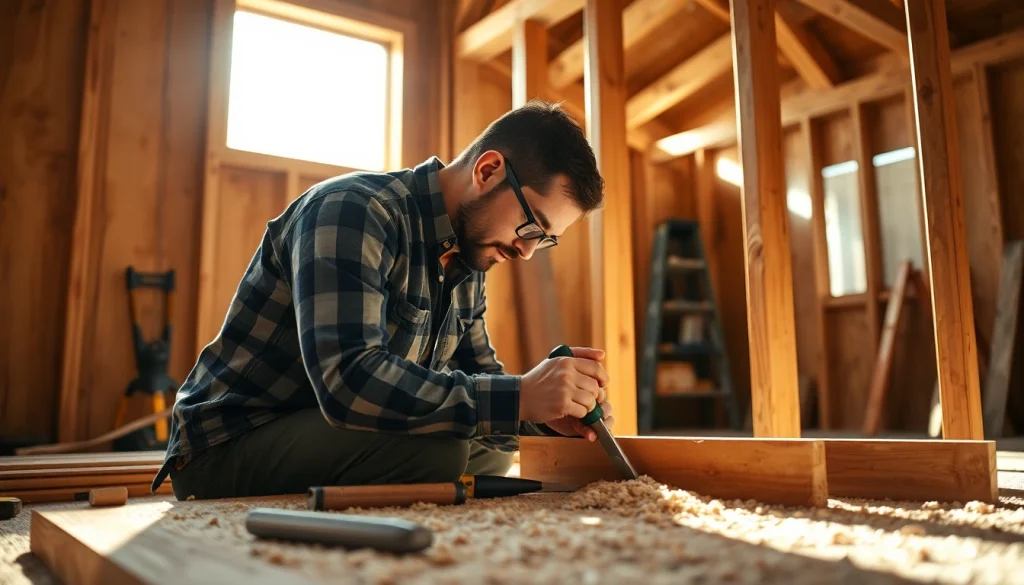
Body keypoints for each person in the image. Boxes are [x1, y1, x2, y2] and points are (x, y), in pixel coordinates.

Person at [151, 100, 616, 500]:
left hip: (335, 436)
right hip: (230, 443)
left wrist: (547, 416)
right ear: (488, 170)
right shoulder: (353, 210)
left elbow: (478, 376)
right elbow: (348, 381)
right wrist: (518, 399)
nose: (526, 250)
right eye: (531, 225)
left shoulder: (470, 255)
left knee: (489, 450)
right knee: (441, 450)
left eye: (545, 239)